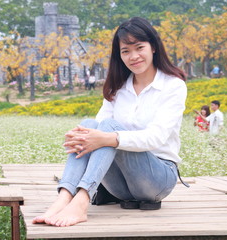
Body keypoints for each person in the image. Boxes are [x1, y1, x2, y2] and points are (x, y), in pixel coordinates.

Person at [32, 17, 187, 227]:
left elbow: (156, 137)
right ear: (119, 55)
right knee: (89, 125)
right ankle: (65, 196)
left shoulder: (173, 86)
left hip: (157, 179)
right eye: (125, 51)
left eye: (139, 47)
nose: (133, 56)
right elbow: (96, 130)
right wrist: (82, 135)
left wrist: (107, 137)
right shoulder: (119, 86)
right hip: (119, 187)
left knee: (107, 129)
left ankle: (82, 200)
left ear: (153, 47)